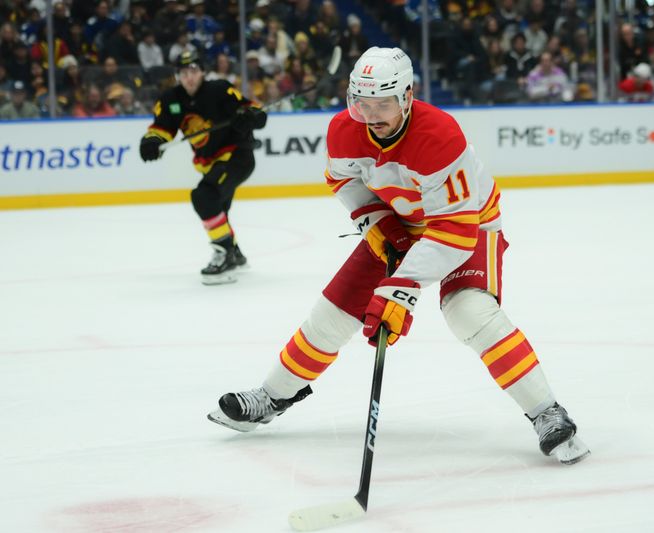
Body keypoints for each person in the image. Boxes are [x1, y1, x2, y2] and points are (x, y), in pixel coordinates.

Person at [207, 47, 591, 465]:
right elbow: (344, 182)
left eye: (383, 104)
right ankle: (271, 397)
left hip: (468, 224)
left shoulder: (439, 135)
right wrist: (378, 224)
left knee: (470, 313)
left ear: (407, 96)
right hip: (401, 223)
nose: (371, 115)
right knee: (333, 313)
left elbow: (453, 231)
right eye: (362, 103)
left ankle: (546, 412)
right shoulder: (343, 130)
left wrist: (400, 289)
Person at [138, 50, 267, 284]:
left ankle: (224, 252)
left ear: (203, 72)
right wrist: (152, 141)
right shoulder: (171, 99)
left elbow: (252, 111)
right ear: (178, 75)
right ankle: (235, 253)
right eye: (184, 72)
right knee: (217, 208)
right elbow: (162, 127)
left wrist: (249, 116)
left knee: (204, 196)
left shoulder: (219, 90)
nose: (189, 77)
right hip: (211, 164)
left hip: (237, 156)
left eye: (194, 71)